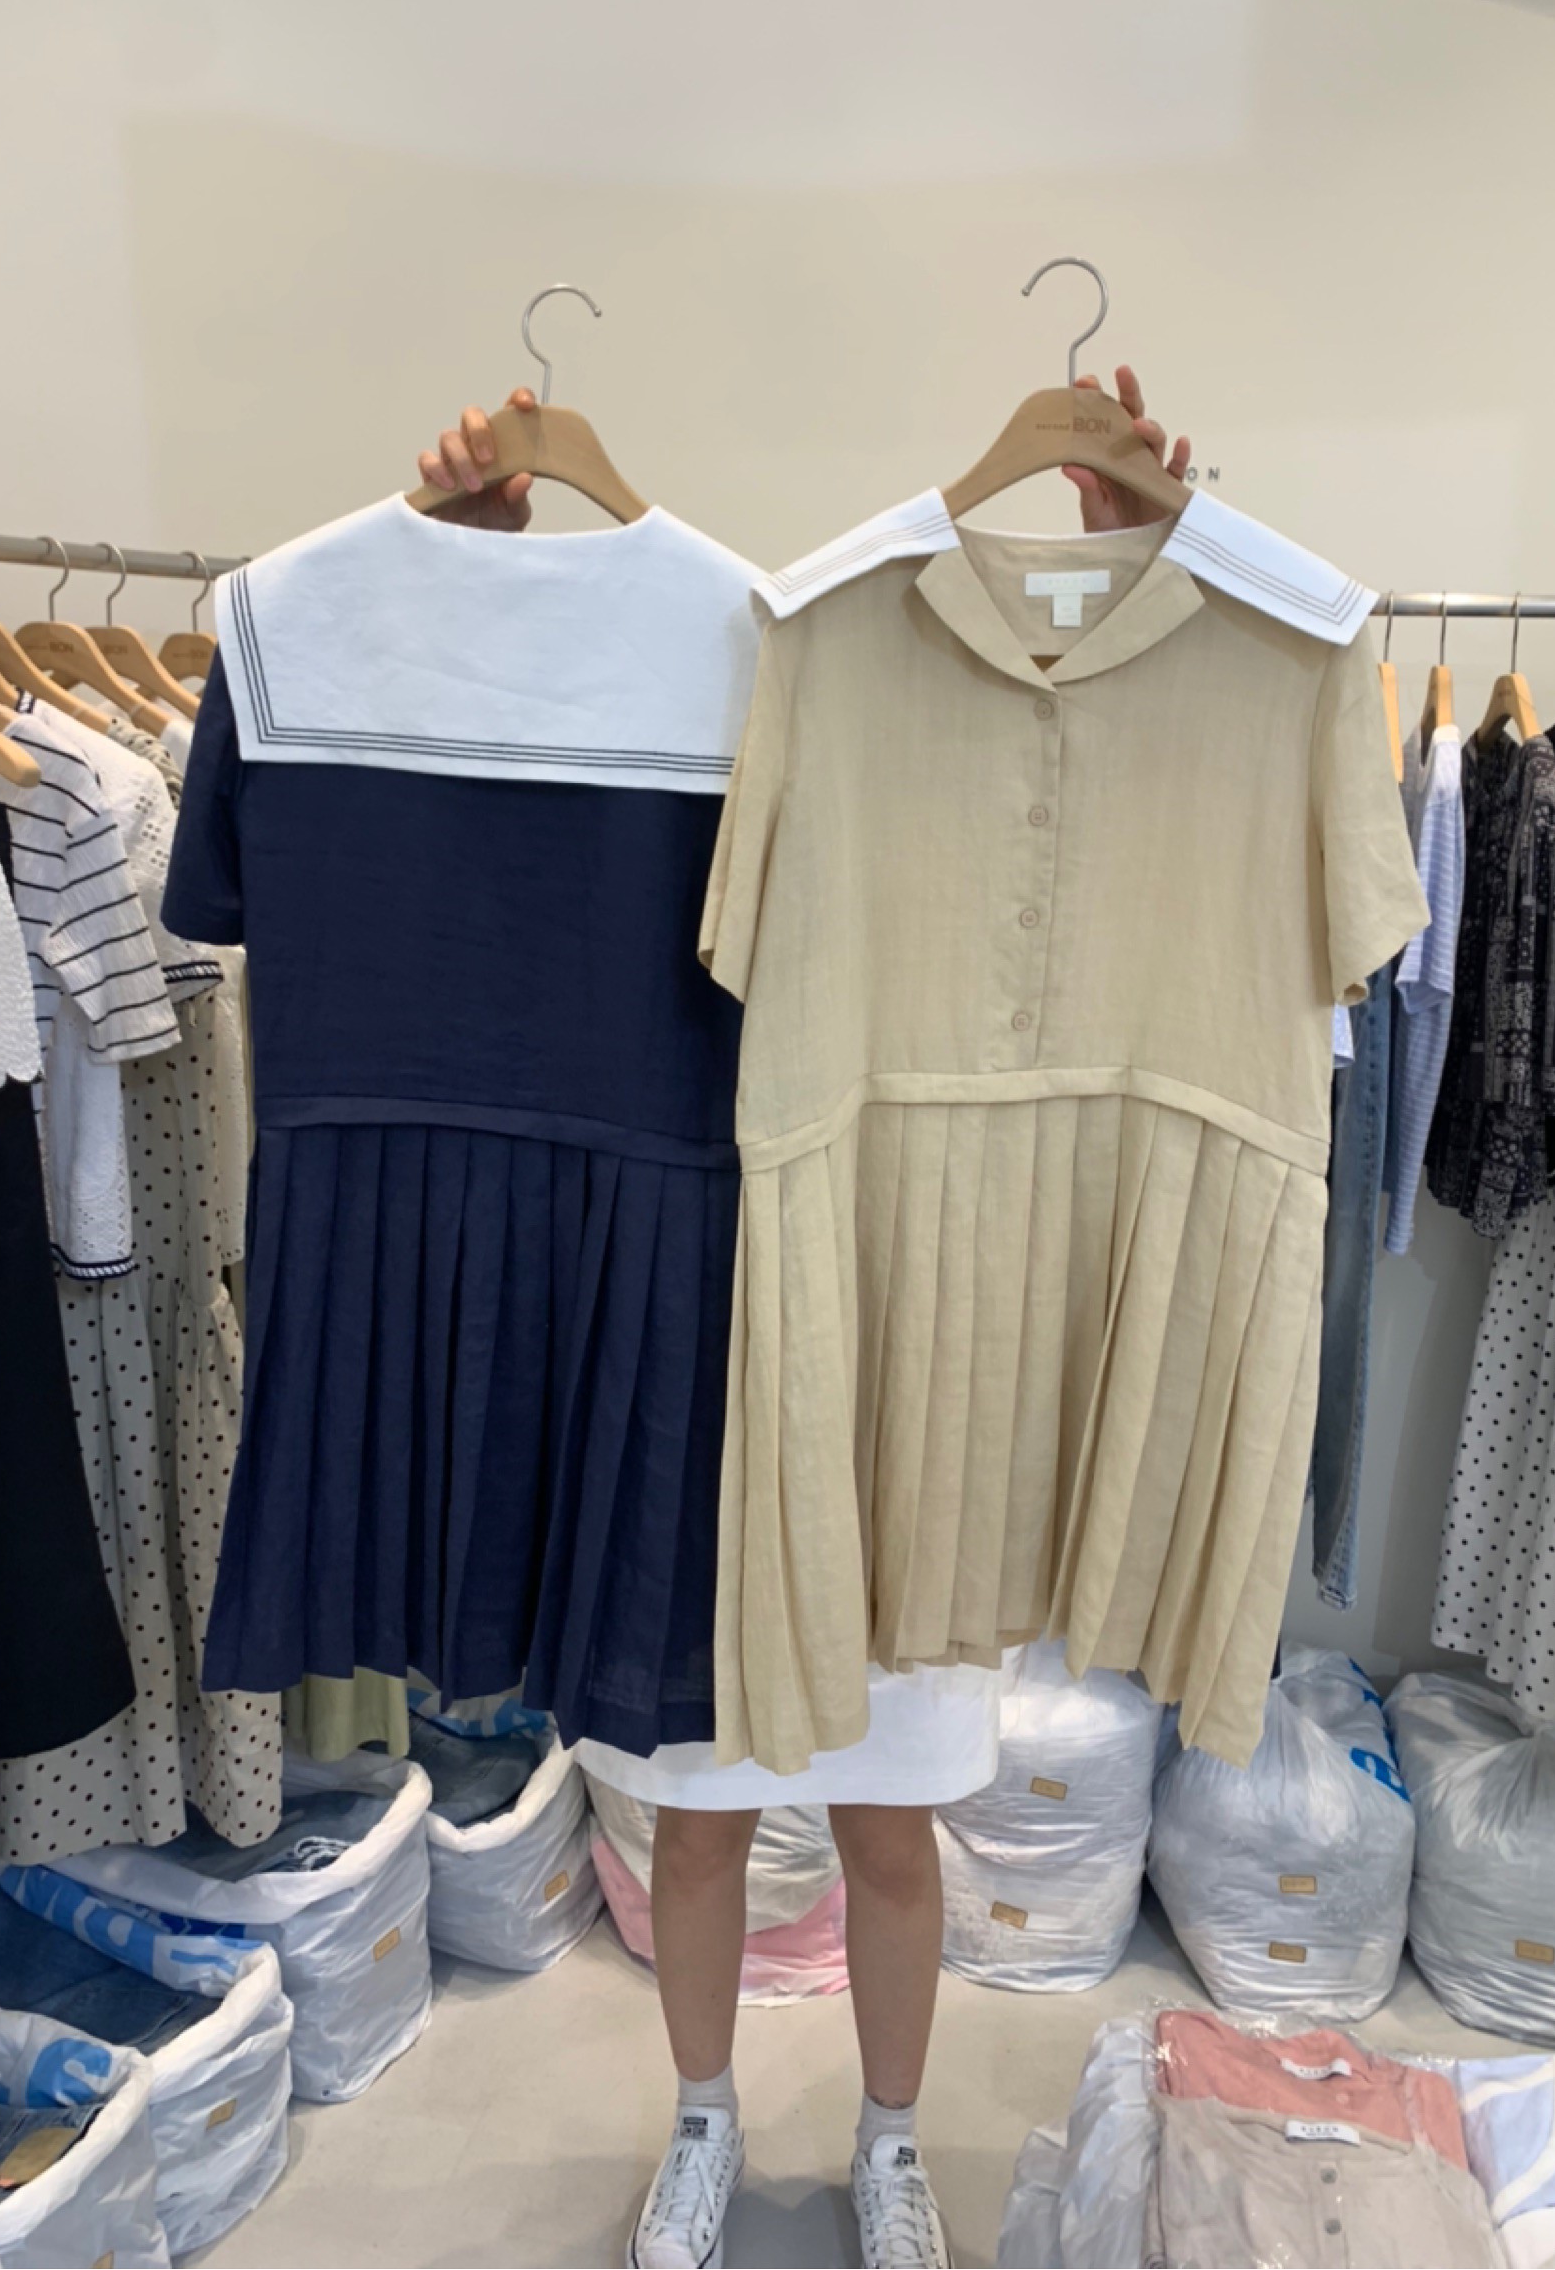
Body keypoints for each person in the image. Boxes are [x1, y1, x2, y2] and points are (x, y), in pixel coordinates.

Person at [414, 372, 1191, 2270]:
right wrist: (473, 574)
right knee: (693, 1817)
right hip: (688, 1346)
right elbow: (486, 831)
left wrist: (1141, 571)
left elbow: (1101, 817)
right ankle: (702, 2122)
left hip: (891, 1345)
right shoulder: (686, 690)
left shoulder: (896, 687)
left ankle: (893, 2141)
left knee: (890, 1819)